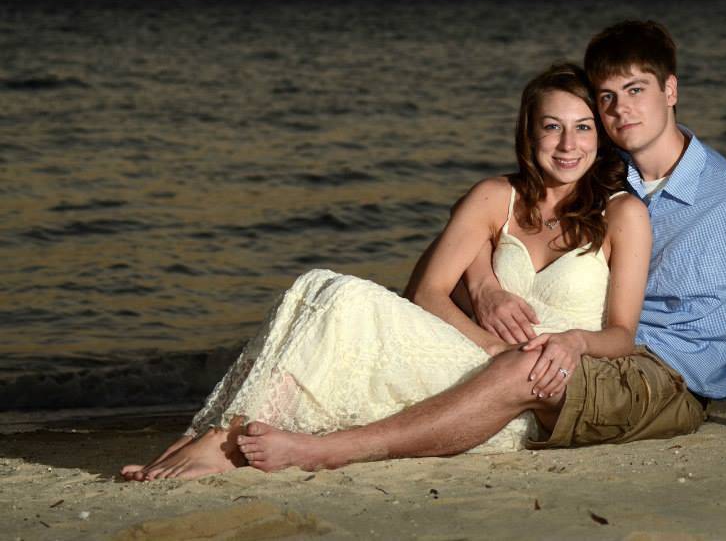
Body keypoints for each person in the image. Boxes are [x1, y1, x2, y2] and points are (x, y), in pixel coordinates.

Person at [219, 20, 726, 474]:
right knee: (349, 300)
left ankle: (325, 453)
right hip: (586, 355)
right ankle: (224, 439)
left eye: (636, 91)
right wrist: (487, 284)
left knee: (530, 364)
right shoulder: (605, 178)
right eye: (607, 99)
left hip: (664, 381)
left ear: (671, 90)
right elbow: (475, 237)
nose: (619, 112)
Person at [121, 62, 672, 481]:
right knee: (327, 289)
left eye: (582, 128)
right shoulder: (494, 197)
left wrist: (572, 343)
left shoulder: (622, 214)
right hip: (470, 357)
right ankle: (228, 436)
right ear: (529, 134)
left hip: (535, 386)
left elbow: (622, 335)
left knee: (341, 307)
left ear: (600, 138)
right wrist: (488, 343)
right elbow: (426, 293)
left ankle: (227, 446)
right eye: (552, 127)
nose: (568, 144)